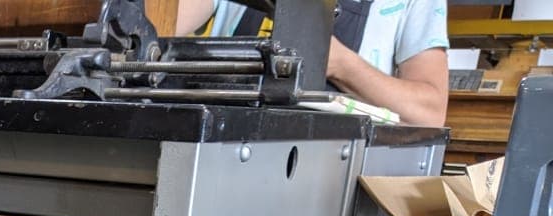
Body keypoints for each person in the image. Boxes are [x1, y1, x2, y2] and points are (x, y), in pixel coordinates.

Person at [175, 0, 449, 126]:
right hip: (208, 144)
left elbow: (429, 113)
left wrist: (340, 63)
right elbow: (161, 22)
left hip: (325, 180)